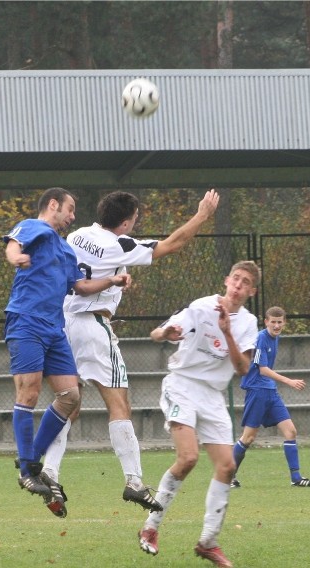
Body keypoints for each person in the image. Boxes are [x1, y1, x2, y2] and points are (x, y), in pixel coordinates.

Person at [40, 189, 220, 515]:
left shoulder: (79, 235)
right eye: (135, 218)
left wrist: (117, 278)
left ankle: (50, 471)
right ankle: (134, 480)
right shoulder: (120, 244)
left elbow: (78, 271)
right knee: (119, 404)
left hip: (61, 322)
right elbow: (172, 244)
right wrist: (202, 215)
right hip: (92, 327)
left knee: (69, 403)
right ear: (125, 221)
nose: (135, 224)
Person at [4, 187, 131, 517]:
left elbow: (81, 286)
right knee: (29, 392)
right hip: (26, 321)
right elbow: (14, 243)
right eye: (70, 209)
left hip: (54, 328)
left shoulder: (63, 247)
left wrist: (112, 280)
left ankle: (31, 459)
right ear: (52, 205)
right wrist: (15, 256)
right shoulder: (37, 227)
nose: (73, 216)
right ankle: (27, 471)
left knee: (70, 397)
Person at [138, 260, 261, 568]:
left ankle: (208, 542)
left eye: (245, 282)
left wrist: (227, 333)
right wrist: (167, 333)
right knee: (188, 458)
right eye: (235, 278)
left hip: (212, 395)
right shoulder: (200, 307)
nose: (238, 285)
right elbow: (156, 333)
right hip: (182, 384)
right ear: (226, 280)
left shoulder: (248, 322)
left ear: (252, 291)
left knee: (227, 466)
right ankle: (150, 527)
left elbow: (243, 368)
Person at [230, 306, 310, 489]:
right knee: (248, 438)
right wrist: (289, 381)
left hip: (270, 391)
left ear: (284, 323)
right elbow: (262, 369)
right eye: (273, 322)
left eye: (280, 322)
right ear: (266, 322)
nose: (276, 326)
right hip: (257, 391)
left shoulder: (275, 338)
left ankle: (296, 478)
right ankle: (227, 476)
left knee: (290, 432)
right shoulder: (260, 339)